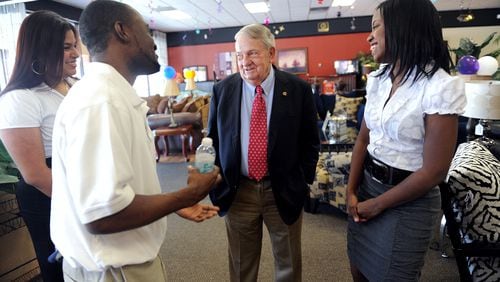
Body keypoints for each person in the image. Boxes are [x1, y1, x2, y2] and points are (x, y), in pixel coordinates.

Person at [50, 0, 220, 280]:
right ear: (123, 31)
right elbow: (102, 216)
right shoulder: (101, 101)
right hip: (114, 272)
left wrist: (175, 203)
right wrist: (187, 195)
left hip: (123, 266)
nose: (154, 43)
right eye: (146, 30)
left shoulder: (113, 97)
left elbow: (120, 191)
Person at [346, 0, 466, 281]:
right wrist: (352, 190)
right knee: (358, 268)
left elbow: (434, 171)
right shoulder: (379, 79)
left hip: (408, 202)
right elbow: (363, 139)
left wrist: (378, 205)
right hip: (366, 188)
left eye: (376, 27)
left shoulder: (439, 87)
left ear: (402, 29)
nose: (369, 36)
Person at [207, 23, 320, 281]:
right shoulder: (222, 91)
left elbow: (310, 141)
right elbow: (211, 140)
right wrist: (213, 183)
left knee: (288, 264)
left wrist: (303, 181)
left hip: (283, 188)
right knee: (240, 266)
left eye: (252, 53)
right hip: (239, 191)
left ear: (271, 54)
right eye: (239, 55)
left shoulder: (297, 90)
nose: (244, 61)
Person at [0, 10, 81, 282]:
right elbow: (35, 174)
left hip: (82, 182)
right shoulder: (19, 99)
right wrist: (82, 205)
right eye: (66, 48)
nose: (76, 53)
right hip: (49, 191)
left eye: (75, 45)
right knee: (61, 270)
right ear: (41, 50)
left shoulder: (75, 86)